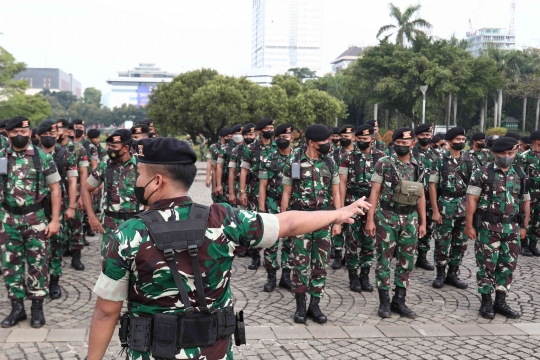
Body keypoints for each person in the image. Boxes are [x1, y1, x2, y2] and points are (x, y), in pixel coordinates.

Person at [86, 137, 370, 360]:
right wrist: (337, 213)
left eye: (139, 175)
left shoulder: (128, 233)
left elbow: (106, 312)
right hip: (215, 352)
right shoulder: (224, 219)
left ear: (157, 181)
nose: (136, 182)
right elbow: (288, 223)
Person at [0, 116, 62, 328]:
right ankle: (17, 309)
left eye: (24, 132)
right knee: (10, 265)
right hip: (7, 220)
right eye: (15, 132)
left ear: (30, 133)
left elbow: (55, 189)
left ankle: (37, 308)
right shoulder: (1, 157)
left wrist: (55, 220)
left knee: (38, 264)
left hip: (35, 220)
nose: (20, 135)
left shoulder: (42, 157)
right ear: (8, 134)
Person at [281, 124, 341, 324]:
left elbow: (336, 192)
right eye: (325, 142)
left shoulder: (330, 162)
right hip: (300, 219)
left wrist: (338, 219)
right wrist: (285, 221)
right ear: (312, 143)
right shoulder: (294, 162)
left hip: (323, 219)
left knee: (320, 264)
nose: (329, 145)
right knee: (299, 263)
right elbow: (286, 193)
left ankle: (314, 306)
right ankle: (300, 306)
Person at [366, 127, 426, 319]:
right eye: (398, 143)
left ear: (413, 144)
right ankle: (384, 302)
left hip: (410, 218)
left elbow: (421, 195)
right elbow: (374, 192)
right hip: (387, 216)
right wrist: (370, 218)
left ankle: (399, 300)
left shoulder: (419, 166)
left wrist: (423, 222)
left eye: (405, 143)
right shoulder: (383, 163)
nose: (401, 146)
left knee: (406, 262)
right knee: (384, 260)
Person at [466, 137, 529, 319]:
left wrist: (525, 226)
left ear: (515, 153)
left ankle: (500, 301)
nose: (507, 157)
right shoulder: (482, 173)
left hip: (512, 228)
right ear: (494, 154)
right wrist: (469, 226)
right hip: (488, 228)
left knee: (507, 265)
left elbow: (525, 201)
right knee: (487, 265)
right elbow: (472, 200)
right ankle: (486, 302)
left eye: (510, 153)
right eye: (503, 154)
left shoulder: (520, 174)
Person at [81, 130, 141, 259]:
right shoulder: (105, 166)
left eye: (114, 147)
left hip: (136, 225)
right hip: (111, 227)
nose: (109, 149)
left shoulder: (141, 167)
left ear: (125, 148)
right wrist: (91, 216)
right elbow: (86, 189)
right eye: (109, 146)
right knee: (110, 267)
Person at [339, 124, 384, 293]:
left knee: (369, 241)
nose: (362, 142)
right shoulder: (347, 157)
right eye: (359, 139)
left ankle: (365, 275)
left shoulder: (381, 158)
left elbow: (379, 186)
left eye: (365, 139)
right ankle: (353, 275)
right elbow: (342, 183)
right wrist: (343, 207)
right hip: (353, 201)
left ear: (372, 139)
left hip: (372, 203)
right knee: (351, 241)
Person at [36, 120, 78, 300]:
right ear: (38, 136)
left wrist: (71, 206)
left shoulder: (65, 154)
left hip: (58, 208)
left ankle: (54, 281)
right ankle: (36, 282)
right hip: (35, 209)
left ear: (57, 135)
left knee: (56, 245)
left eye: (52, 134)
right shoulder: (32, 155)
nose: (49, 137)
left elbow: (73, 180)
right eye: (45, 134)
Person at [429, 127, 472, 290]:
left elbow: (473, 188)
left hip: (463, 207)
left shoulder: (468, 161)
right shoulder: (440, 160)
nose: (461, 142)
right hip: (445, 206)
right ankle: (440, 274)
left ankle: (453, 274)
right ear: (449, 141)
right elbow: (432, 186)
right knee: (442, 242)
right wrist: (434, 210)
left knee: (460, 243)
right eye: (457, 140)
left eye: (463, 139)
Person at [258, 124, 296, 292]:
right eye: (279, 138)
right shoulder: (268, 158)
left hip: (292, 206)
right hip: (272, 204)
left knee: (290, 242)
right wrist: (261, 208)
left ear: (292, 138)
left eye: (285, 138)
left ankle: (286, 276)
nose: (282, 140)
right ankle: (271, 276)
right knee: (271, 241)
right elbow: (262, 186)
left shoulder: (298, 159)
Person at [239, 118, 278, 270]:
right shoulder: (251, 148)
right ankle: (255, 256)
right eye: (267, 128)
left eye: (272, 127)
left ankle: (271, 259)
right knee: (255, 224)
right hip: (254, 191)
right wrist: (242, 192)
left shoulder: (277, 146)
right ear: (261, 131)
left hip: (274, 192)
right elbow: (244, 171)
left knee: (273, 224)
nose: (270, 130)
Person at [57, 119, 89, 270]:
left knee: (76, 223)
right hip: (56, 191)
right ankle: (62, 250)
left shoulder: (77, 148)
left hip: (73, 190)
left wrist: (82, 195)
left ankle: (76, 256)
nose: (56, 133)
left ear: (67, 132)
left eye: (59, 129)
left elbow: (83, 172)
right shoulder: (51, 148)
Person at [412, 124, 439, 271]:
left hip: (429, 197)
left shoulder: (436, 155)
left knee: (427, 226)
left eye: (428, 135)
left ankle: (422, 256)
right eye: (422, 135)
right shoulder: (410, 153)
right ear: (416, 137)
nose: (426, 138)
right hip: (410, 196)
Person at [330, 125, 356, 270]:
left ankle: (350, 255)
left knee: (352, 229)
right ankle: (338, 254)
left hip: (352, 196)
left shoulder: (359, 154)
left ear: (353, 137)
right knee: (337, 222)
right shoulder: (334, 154)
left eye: (347, 136)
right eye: (342, 137)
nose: (344, 139)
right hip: (337, 194)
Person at [517, 130, 540, 256]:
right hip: (530, 193)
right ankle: (524, 245)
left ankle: (533, 244)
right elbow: (520, 175)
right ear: (537, 141)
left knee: (538, 220)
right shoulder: (525, 156)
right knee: (527, 218)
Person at [228, 124, 257, 209]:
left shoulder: (259, 150)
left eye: (251, 135)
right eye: (246, 135)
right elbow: (232, 172)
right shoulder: (236, 151)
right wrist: (231, 193)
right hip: (239, 188)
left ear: (255, 135)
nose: (249, 137)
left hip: (255, 189)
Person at [216, 125, 242, 207]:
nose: (238, 135)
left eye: (240, 133)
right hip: (228, 182)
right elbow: (219, 167)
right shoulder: (225, 148)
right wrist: (219, 185)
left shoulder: (247, 148)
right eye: (236, 133)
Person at [210, 128, 232, 204]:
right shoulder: (214, 147)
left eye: (231, 137)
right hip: (220, 178)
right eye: (228, 137)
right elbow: (214, 168)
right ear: (222, 137)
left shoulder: (232, 147)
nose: (230, 139)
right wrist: (214, 186)